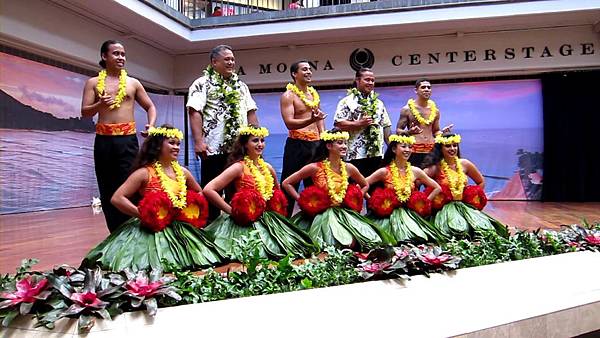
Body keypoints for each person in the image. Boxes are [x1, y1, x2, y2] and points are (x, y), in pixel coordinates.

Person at [82, 125, 223, 272]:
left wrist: (186, 209)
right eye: (171, 143)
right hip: (151, 229)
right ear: (157, 146)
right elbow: (117, 198)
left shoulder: (183, 172)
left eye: (178, 144)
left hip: (178, 227)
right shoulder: (144, 173)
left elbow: (198, 194)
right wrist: (142, 214)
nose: (176, 147)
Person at [203, 125, 317, 259]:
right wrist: (231, 211)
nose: (260, 144)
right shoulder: (238, 167)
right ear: (245, 144)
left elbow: (277, 194)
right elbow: (209, 189)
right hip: (244, 222)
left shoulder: (268, 168)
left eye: (262, 140)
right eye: (255, 140)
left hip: (266, 220)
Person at [81, 40, 157, 233]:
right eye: (116, 54)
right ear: (104, 56)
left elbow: (150, 106)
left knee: (131, 183)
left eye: (123, 54)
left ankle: (136, 229)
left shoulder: (133, 83)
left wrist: (152, 124)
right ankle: (115, 233)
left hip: (128, 140)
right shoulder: (93, 83)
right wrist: (100, 105)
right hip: (104, 141)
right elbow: (85, 112)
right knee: (107, 186)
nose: (121, 58)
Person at [282, 128, 390, 250]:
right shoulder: (314, 168)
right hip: (320, 215)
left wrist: (356, 196)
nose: (344, 146)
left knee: (361, 242)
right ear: (328, 145)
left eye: (345, 143)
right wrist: (303, 201)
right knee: (326, 245)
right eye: (340, 143)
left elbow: (365, 184)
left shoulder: (349, 168)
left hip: (343, 213)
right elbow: (287, 183)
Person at [187, 45, 259, 221]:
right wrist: (198, 141)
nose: (231, 62)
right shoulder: (202, 83)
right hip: (213, 148)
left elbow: (251, 111)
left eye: (233, 59)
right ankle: (210, 229)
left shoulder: (241, 86)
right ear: (214, 62)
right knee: (212, 191)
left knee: (240, 190)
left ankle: (238, 226)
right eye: (227, 59)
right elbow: (194, 110)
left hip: (239, 151)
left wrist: (257, 139)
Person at [423, 133, 508, 238]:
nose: (452, 148)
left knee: (483, 231)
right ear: (441, 148)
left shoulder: (464, 164)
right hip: (444, 211)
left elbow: (481, 181)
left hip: (463, 207)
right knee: (453, 233)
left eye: (455, 145)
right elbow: (418, 180)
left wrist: (471, 196)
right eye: (448, 146)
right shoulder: (436, 167)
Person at [365, 134, 444, 244]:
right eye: (404, 146)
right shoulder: (385, 171)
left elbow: (437, 188)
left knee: (418, 241)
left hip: (409, 215)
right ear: (393, 149)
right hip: (388, 218)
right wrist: (373, 203)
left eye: (410, 147)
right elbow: (362, 185)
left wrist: (424, 202)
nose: (408, 150)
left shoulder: (415, 171)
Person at [280, 60, 327, 216]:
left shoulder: (313, 94)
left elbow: (319, 117)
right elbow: (289, 123)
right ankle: (284, 224)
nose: (308, 72)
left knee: (316, 185)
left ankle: (314, 221)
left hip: (316, 145)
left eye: (309, 69)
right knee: (290, 182)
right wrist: (310, 120)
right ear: (295, 74)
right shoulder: (288, 96)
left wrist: (323, 136)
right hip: (297, 144)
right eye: (304, 69)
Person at [334, 68, 391, 178]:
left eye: (372, 80)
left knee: (376, 192)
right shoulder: (347, 102)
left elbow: (386, 127)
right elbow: (338, 124)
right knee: (355, 191)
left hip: (377, 155)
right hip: (355, 155)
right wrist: (359, 124)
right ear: (357, 80)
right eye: (367, 80)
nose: (370, 83)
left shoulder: (379, 103)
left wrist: (392, 152)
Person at [396, 78, 452, 168]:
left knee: (431, 178)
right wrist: (409, 132)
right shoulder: (407, 109)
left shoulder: (435, 111)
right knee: (415, 179)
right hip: (414, 150)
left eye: (429, 87)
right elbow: (398, 131)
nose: (426, 89)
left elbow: (436, 131)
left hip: (432, 150)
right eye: (423, 87)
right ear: (416, 90)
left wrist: (443, 134)